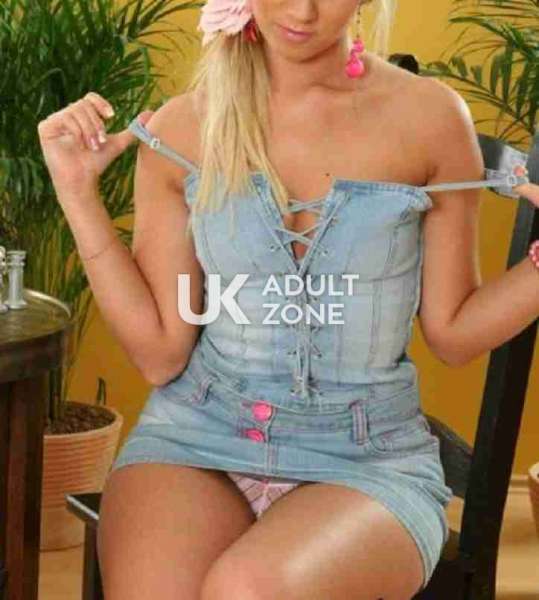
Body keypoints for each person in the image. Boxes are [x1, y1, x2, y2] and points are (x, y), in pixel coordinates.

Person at [37, 0, 539, 598]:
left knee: (246, 589)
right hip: (195, 434)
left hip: (368, 458)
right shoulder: (183, 128)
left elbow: (454, 335)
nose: (302, 10)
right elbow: (159, 355)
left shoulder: (428, 116)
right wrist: (77, 194)